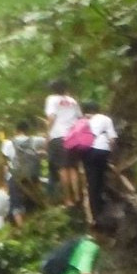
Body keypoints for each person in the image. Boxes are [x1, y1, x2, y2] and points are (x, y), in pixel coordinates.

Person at [44, 79, 83, 207]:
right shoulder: (72, 101)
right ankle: (77, 196)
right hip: (73, 136)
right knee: (73, 167)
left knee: (63, 168)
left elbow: (51, 117)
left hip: (59, 136)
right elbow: (80, 119)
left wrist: (47, 134)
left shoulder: (52, 99)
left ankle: (68, 199)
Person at [1, 121, 48, 226]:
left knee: (16, 203)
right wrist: (41, 154)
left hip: (16, 176)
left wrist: (5, 182)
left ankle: (21, 228)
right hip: (33, 175)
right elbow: (49, 143)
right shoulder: (36, 140)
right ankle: (41, 220)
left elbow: (5, 163)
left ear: (16, 130)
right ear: (27, 130)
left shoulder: (8, 143)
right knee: (35, 198)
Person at [80, 101, 118, 225]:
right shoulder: (106, 119)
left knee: (92, 182)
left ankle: (95, 214)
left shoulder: (82, 121)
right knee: (101, 178)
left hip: (88, 151)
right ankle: (102, 206)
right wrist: (110, 152)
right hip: (103, 151)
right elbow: (112, 139)